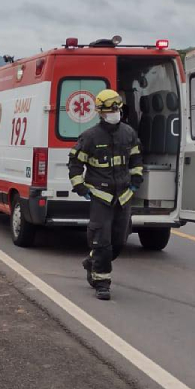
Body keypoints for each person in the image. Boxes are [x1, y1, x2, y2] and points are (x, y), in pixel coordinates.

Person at [67, 89, 144, 300]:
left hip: (124, 195)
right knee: (102, 241)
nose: (115, 113)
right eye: (111, 109)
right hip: (100, 196)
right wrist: (80, 187)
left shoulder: (128, 133)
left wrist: (136, 181)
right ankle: (102, 282)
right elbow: (75, 164)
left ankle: (92, 262)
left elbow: (136, 160)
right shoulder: (90, 137)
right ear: (101, 112)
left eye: (117, 108)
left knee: (118, 242)